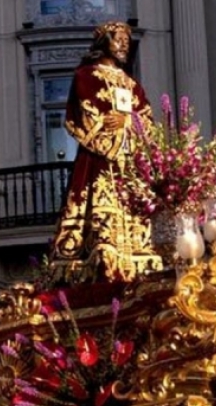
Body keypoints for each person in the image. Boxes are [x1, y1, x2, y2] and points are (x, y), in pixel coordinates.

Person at [48, 21, 162, 285]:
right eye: (118, 38)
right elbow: (83, 114)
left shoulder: (132, 84)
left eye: (126, 40)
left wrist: (128, 122)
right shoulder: (86, 76)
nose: (124, 44)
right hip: (99, 163)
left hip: (130, 165)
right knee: (99, 224)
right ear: (103, 43)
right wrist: (111, 131)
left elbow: (147, 120)